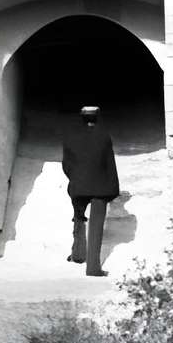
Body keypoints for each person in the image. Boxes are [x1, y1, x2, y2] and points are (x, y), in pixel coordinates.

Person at [60, 103, 119, 277]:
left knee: (79, 218)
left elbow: (66, 164)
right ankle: (93, 268)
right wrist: (112, 187)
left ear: (82, 116)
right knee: (96, 227)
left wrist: (74, 179)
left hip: (78, 185)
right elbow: (110, 164)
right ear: (98, 116)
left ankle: (78, 254)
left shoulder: (71, 136)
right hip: (100, 187)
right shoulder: (104, 136)